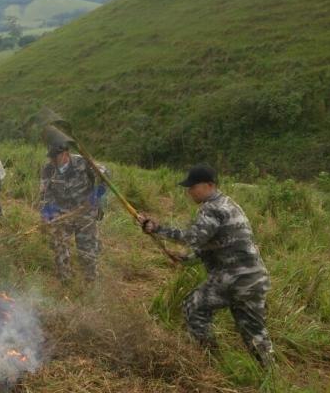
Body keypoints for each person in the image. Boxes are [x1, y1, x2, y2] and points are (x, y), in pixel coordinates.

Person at [137, 164, 273, 367]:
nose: (189, 191)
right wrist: (185, 259)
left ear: (209, 185)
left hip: (233, 279)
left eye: (193, 186)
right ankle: (270, 375)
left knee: (193, 307)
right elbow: (214, 243)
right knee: (255, 332)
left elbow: (193, 238)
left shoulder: (212, 208)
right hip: (255, 279)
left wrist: (157, 228)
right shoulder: (229, 204)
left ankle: (208, 362)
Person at [39, 143, 108, 283]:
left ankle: (90, 282)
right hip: (63, 213)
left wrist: (95, 196)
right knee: (57, 241)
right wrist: (48, 215)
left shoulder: (84, 163)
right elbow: (46, 195)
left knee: (87, 251)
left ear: (65, 154)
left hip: (85, 212)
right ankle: (66, 279)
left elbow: (106, 177)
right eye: (51, 157)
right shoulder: (48, 169)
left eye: (55, 157)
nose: (52, 160)